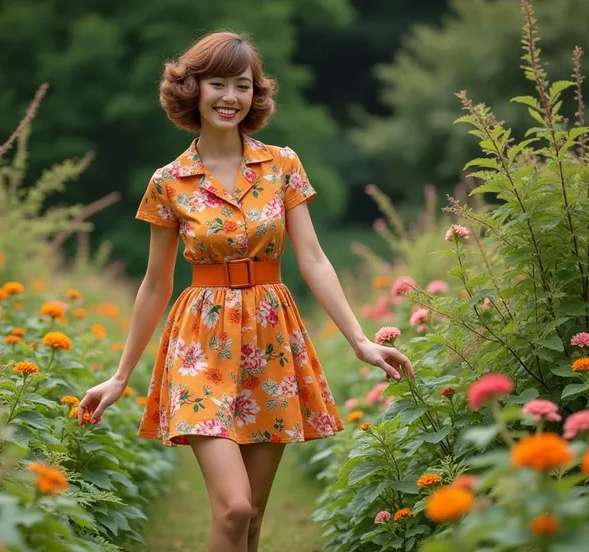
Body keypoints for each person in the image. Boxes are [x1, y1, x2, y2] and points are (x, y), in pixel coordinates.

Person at [77, 30, 414, 552]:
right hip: (200, 342)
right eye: (218, 83)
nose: (230, 97)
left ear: (256, 94)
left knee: (251, 518)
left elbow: (314, 258)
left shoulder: (282, 165)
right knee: (233, 508)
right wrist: (121, 376)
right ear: (193, 89)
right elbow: (154, 283)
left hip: (271, 337)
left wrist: (361, 341)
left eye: (243, 85)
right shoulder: (169, 181)